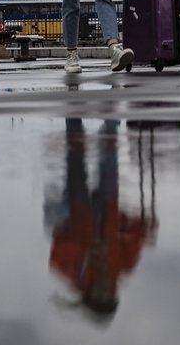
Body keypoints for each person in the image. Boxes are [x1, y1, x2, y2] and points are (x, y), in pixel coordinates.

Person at [48, 119, 152, 324]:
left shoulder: (74, 275)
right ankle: (111, 119)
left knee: (75, 158)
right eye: (110, 296)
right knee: (110, 158)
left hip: (78, 211)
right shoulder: (121, 268)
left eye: (100, 296)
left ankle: (74, 117)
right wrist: (145, 228)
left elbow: (56, 252)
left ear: (89, 296)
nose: (106, 291)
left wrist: (86, 249)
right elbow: (135, 238)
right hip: (108, 207)